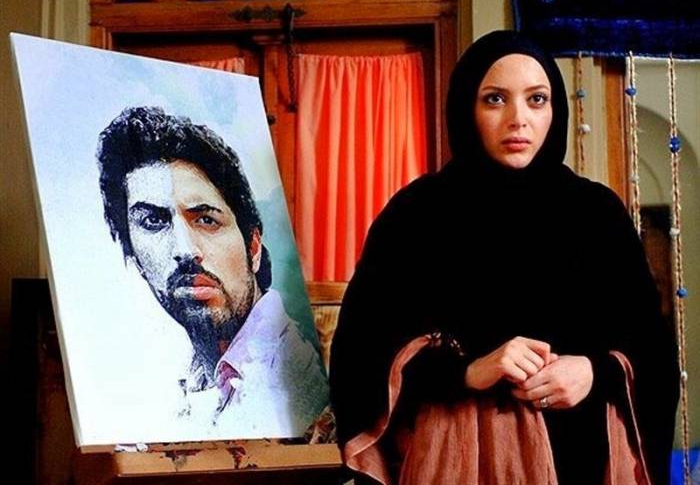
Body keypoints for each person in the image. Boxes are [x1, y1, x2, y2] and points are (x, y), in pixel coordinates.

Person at [330, 31, 679, 484]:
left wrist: (595, 372)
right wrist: (468, 371)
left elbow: (650, 347)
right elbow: (361, 356)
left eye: (537, 100)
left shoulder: (596, 213)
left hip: (583, 455)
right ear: (467, 108)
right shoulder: (417, 214)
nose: (519, 119)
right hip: (457, 462)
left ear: (555, 110)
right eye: (495, 99)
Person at [97, 106, 327, 435]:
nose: (184, 250)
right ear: (134, 257)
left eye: (206, 219)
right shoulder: (179, 385)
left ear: (253, 246)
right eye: (153, 221)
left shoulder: (302, 374)